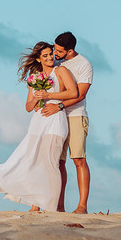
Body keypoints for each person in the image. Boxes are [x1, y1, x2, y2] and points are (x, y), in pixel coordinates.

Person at [0, 42, 78, 212]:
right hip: (38, 121)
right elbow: (28, 106)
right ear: (38, 59)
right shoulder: (35, 76)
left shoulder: (61, 71)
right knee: (33, 161)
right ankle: (36, 205)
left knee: (51, 162)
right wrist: (37, 98)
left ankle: (52, 207)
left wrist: (49, 95)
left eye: (51, 54)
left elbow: (74, 92)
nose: (50, 58)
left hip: (55, 119)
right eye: (45, 56)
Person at [34, 31, 93, 214]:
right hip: (55, 118)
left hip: (75, 115)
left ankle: (82, 206)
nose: (55, 53)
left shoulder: (84, 65)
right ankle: (59, 206)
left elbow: (80, 94)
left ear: (69, 51)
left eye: (59, 51)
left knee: (78, 159)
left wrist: (58, 105)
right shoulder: (56, 62)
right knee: (57, 162)